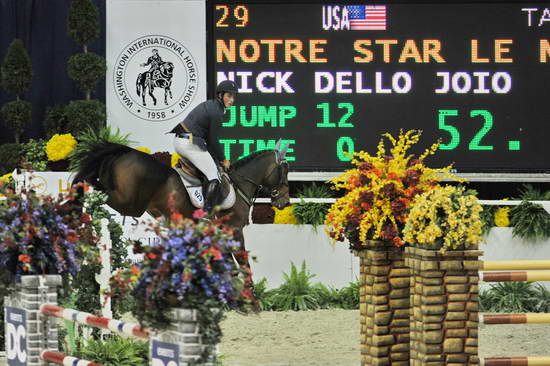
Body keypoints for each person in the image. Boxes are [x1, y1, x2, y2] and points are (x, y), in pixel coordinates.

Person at [169, 80, 237, 212]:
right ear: (220, 95)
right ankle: (206, 214)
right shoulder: (216, 112)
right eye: (229, 96)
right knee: (214, 176)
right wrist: (223, 159)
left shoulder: (212, 106)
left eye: (234, 96)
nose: (232, 99)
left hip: (182, 140)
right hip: (189, 144)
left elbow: (209, 142)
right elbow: (213, 141)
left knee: (210, 168)